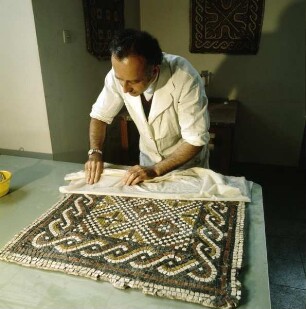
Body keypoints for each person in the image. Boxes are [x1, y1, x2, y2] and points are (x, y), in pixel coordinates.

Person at [85, 29, 210, 186]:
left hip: (184, 165)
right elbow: (99, 116)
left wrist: (156, 170)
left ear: (154, 71)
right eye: (120, 80)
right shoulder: (120, 74)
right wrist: (95, 152)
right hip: (147, 161)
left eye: (133, 81)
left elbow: (195, 140)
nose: (124, 89)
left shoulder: (185, 77)